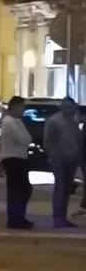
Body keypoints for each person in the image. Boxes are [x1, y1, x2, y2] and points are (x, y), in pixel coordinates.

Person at [43, 96, 81, 228]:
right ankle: (58, 217)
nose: (70, 110)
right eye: (67, 107)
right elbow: (48, 141)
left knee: (67, 189)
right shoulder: (54, 121)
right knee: (60, 188)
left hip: (72, 159)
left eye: (72, 107)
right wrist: (53, 154)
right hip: (59, 159)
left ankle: (62, 217)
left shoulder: (73, 121)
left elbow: (77, 138)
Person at [0, 95, 34, 230]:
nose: (23, 110)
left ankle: (19, 217)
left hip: (20, 158)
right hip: (12, 159)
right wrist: (26, 139)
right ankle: (14, 219)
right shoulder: (9, 122)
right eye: (21, 107)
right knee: (17, 190)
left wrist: (26, 139)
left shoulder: (17, 121)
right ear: (14, 107)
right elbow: (23, 139)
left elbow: (28, 138)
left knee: (23, 189)